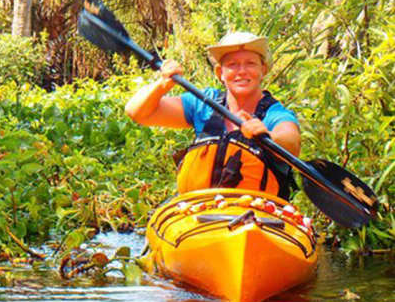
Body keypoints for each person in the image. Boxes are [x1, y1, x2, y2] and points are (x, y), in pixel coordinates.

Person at [124, 32, 300, 198]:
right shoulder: (204, 103)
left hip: (257, 216)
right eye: (232, 65)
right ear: (220, 73)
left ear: (263, 69)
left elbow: (291, 142)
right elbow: (137, 112)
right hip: (199, 212)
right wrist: (162, 85)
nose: (242, 71)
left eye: (250, 63)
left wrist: (267, 135)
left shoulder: (274, 113)